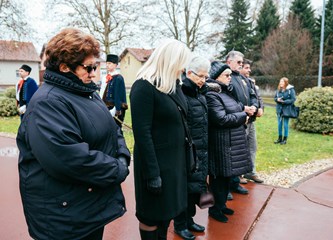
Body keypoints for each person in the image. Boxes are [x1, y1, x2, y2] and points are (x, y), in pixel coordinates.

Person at [16, 28, 131, 240]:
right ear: (64, 67)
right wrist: (118, 168)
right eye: (89, 67)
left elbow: (113, 128)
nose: (94, 73)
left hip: (88, 206)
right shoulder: (48, 103)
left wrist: (123, 154)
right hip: (64, 216)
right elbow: (69, 158)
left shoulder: (86, 92)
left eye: (96, 66)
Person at [130, 39, 192, 240]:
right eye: (181, 62)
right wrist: (152, 173)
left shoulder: (172, 85)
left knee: (166, 214)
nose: (183, 68)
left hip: (174, 164)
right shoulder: (143, 86)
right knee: (151, 217)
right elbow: (142, 133)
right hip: (155, 164)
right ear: (170, 60)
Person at [206, 61, 251, 223]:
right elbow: (221, 119)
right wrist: (242, 116)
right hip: (220, 144)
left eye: (230, 75)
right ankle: (215, 210)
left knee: (225, 178)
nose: (230, 78)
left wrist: (243, 109)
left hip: (230, 143)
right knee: (218, 179)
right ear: (217, 77)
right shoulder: (212, 95)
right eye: (226, 75)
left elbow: (236, 105)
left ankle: (222, 204)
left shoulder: (224, 91)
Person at [173, 56, 210, 240]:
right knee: (184, 189)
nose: (203, 79)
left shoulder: (200, 94)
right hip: (188, 150)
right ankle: (180, 224)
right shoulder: (183, 94)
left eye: (205, 76)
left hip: (200, 148)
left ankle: (189, 219)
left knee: (195, 188)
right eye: (200, 75)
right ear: (189, 73)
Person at [225, 50, 258, 196]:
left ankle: (235, 182)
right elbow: (227, 99)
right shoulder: (226, 77)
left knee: (242, 151)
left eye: (241, 62)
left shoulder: (243, 78)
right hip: (234, 120)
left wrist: (255, 107)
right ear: (229, 62)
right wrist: (243, 109)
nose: (241, 65)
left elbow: (253, 95)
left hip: (247, 118)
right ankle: (226, 187)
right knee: (231, 154)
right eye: (238, 62)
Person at [239, 59, 264, 184]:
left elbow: (257, 97)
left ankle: (250, 172)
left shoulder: (250, 82)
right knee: (240, 148)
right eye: (247, 68)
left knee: (252, 147)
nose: (249, 70)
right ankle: (238, 175)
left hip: (251, 121)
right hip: (241, 121)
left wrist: (260, 108)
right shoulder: (235, 82)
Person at [101, 54, 128, 130]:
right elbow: (102, 93)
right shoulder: (105, 77)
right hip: (106, 107)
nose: (107, 65)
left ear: (115, 65)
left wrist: (117, 109)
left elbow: (118, 95)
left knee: (117, 129)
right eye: (106, 63)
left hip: (115, 107)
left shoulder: (118, 78)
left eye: (109, 63)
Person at [274, 77, 296, 144]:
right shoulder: (278, 90)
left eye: (282, 82)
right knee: (279, 124)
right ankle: (279, 138)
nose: (281, 83)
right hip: (279, 110)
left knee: (286, 125)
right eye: (280, 81)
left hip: (286, 110)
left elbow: (293, 99)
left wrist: (284, 101)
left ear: (286, 82)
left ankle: (285, 139)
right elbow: (275, 98)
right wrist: (277, 100)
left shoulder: (290, 90)